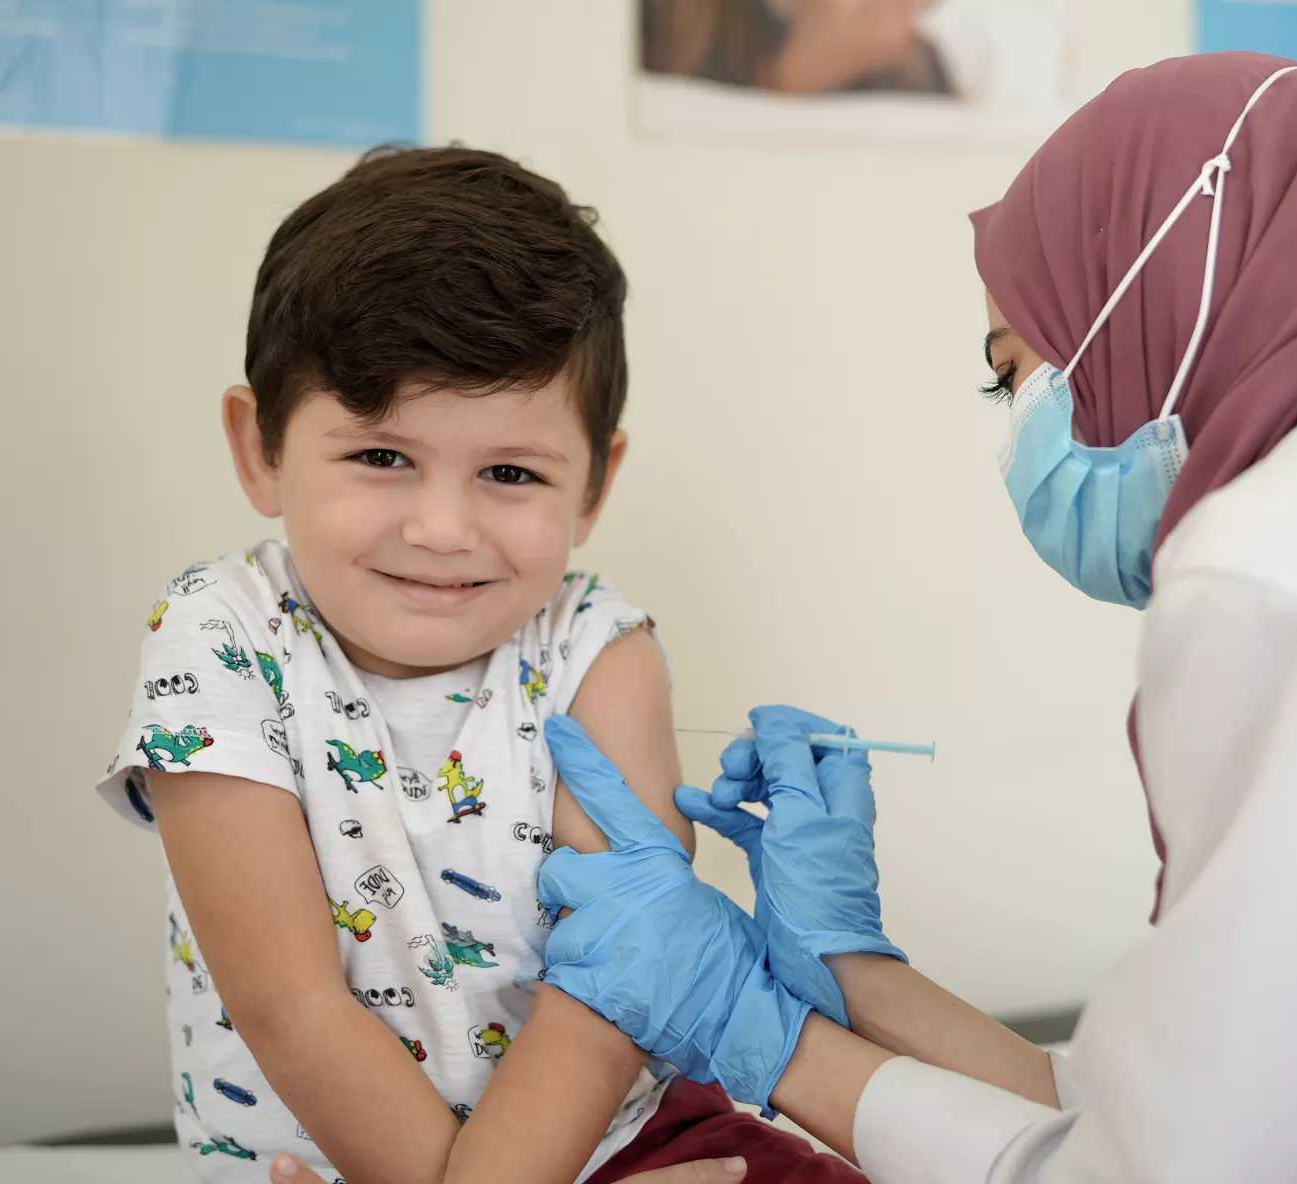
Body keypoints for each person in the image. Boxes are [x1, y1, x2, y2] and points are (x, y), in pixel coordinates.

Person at [481, 54, 1297, 1181]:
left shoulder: (1295, 561)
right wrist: (851, 966)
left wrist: (754, 1028)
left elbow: (1160, 1170)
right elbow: (1186, 1108)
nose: (1020, 436)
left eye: (1013, 372)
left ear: (1164, 287)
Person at [97, 147, 862, 1182]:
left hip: (619, 1137)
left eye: (510, 472)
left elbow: (616, 973)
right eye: (380, 455)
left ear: (593, 485)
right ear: (261, 447)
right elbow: (292, 1002)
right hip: (328, 1163)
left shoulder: (601, 647)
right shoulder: (221, 636)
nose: (444, 526)